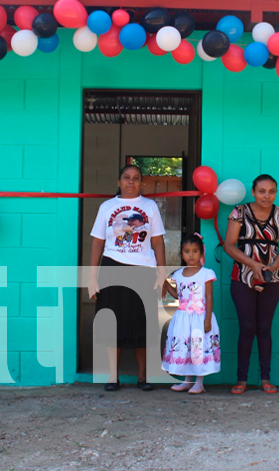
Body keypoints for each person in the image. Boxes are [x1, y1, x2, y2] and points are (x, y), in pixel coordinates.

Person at [88, 164, 167, 392]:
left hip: (143, 269)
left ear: (141, 183)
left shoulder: (149, 206)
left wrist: (162, 273)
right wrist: (92, 277)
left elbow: (158, 241)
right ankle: (113, 377)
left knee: (144, 324)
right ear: (118, 182)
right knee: (113, 323)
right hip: (112, 268)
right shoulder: (107, 207)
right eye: (126, 177)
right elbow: (97, 242)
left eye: (135, 178)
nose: (130, 182)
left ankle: (143, 377)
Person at [224, 174, 279, 394]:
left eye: (271, 191)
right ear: (253, 192)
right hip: (243, 277)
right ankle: (241, 380)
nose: (267, 195)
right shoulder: (239, 212)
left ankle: (265, 378)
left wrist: (272, 267)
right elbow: (229, 246)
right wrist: (253, 264)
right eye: (262, 191)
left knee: (264, 327)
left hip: (272, 278)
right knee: (247, 328)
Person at [161, 233, 220, 394]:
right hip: (183, 318)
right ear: (182, 253)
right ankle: (187, 381)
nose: (191, 255)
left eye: (195, 251)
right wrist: (166, 285)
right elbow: (179, 296)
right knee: (186, 348)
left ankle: (199, 383)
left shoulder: (206, 273)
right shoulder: (178, 274)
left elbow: (209, 296)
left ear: (201, 253)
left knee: (197, 348)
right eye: (187, 251)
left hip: (200, 317)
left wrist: (207, 319)